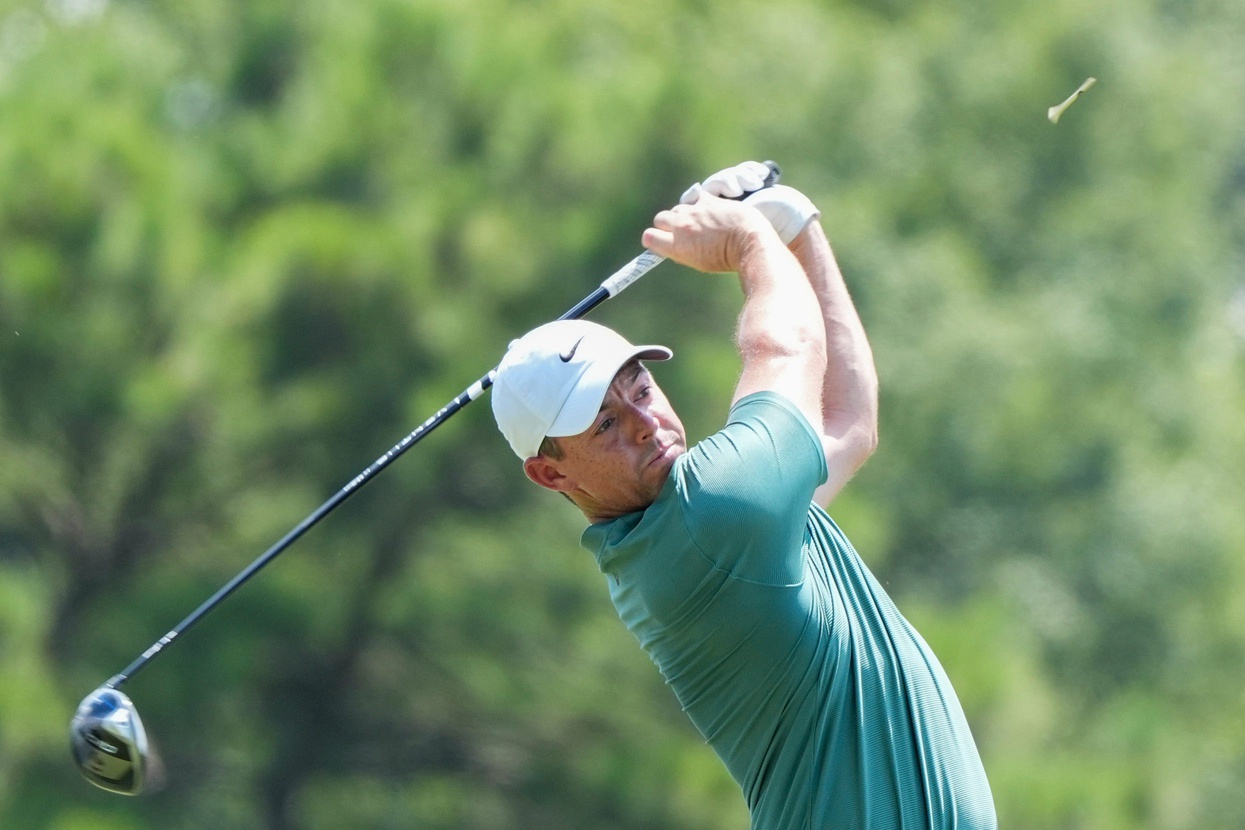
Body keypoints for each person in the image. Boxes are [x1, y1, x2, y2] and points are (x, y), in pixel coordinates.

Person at [491, 162, 996, 829]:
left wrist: (795, 228)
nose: (645, 423)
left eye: (639, 390)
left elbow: (847, 424)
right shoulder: (708, 524)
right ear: (551, 475)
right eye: (606, 423)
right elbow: (783, 344)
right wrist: (749, 244)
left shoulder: (731, 517)